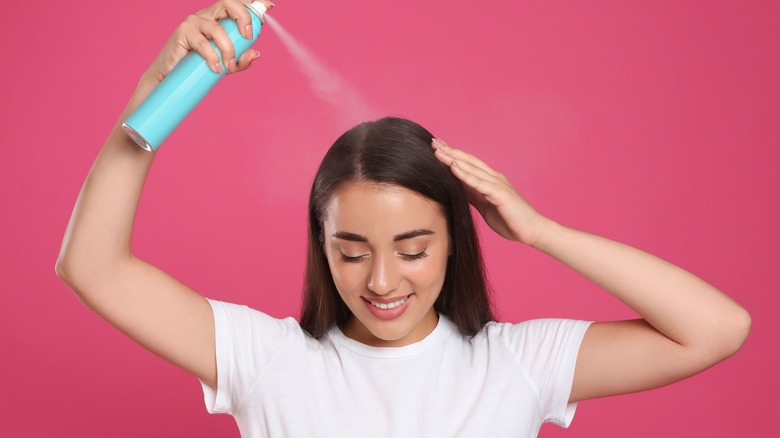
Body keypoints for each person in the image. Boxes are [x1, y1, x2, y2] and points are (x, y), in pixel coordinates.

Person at [56, 1, 751, 436]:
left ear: (456, 240)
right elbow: (91, 267)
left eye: (413, 248)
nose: (382, 279)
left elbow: (716, 329)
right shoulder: (268, 360)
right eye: (351, 249)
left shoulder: (516, 364)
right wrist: (156, 91)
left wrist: (543, 232)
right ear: (320, 243)